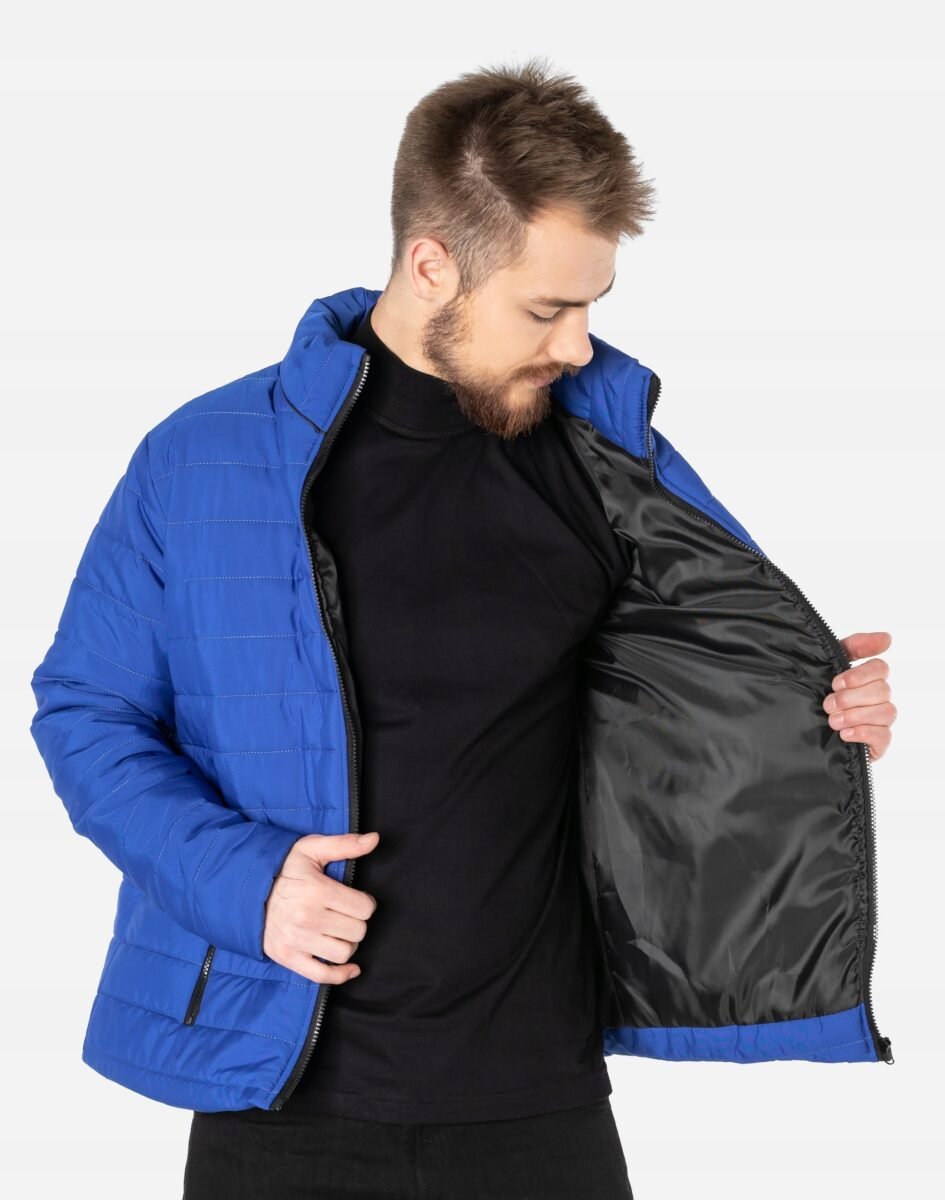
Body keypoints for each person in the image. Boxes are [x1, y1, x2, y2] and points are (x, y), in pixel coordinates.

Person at [28, 56, 897, 1200]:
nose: (577, 344)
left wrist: (814, 710)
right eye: (546, 308)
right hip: (282, 1103)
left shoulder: (600, 459)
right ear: (431, 264)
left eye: (591, 305)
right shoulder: (201, 461)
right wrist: (247, 884)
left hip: (538, 1106)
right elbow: (86, 713)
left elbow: (696, 685)